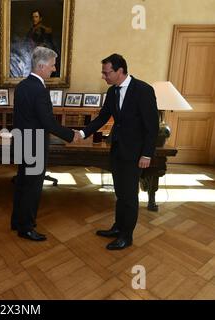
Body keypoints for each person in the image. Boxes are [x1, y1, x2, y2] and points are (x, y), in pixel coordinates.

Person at [74, 53, 159, 250]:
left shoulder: (143, 90)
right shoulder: (112, 92)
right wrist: (82, 132)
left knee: (129, 196)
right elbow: (103, 117)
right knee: (120, 193)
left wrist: (147, 154)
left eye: (106, 72)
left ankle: (126, 236)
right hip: (118, 150)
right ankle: (118, 227)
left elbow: (152, 126)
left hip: (136, 154)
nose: (104, 76)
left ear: (120, 71)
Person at [11, 46, 74, 241]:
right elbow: (48, 123)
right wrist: (71, 135)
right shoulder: (39, 90)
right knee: (32, 187)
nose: (54, 69)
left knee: (22, 183)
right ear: (41, 66)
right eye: (52, 66)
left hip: (22, 143)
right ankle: (27, 228)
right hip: (35, 146)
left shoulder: (21, 86)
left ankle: (17, 221)